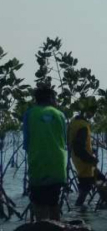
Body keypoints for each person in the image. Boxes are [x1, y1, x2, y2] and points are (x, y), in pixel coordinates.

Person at [22, 85, 67, 221]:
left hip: (38, 165)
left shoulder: (29, 114)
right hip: (58, 167)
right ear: (52, 98)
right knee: (54, 203)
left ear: (36, 99)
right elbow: (63, 141)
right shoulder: (60, 115)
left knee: (39, 206)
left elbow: (26, 143)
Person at [67, 101, 107, 209]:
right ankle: (104, 205)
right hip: (84, 161)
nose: (93, 115)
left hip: (78, 160)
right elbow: (78, 146)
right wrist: (91, 158)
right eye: (92, 112)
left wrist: (92, 150)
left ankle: (82, 211)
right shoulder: (83, 126)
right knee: (97, 182)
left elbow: (75, 143)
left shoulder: (74, 122)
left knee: (88, 186)